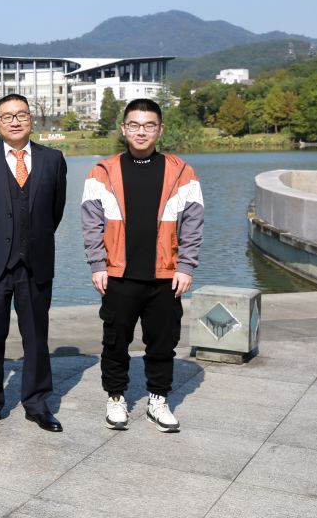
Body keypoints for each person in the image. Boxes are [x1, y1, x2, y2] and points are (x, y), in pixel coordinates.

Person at [81, 98, 203, 433]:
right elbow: (90, 223)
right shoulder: (102, 171)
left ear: (160, 129)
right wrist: (97, 264)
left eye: (149, 125)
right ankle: (116, 397)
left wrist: (186, 266)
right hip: (118, 274)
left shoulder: (182, 172)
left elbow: (194, 224)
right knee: (115, 342)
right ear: (124, 128)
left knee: (163, 343)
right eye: (134, 125)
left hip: (165, 275)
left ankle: (158, 401)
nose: (141, 132)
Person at [0, 93, 67, 433]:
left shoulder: (53, 159)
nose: (15, 121)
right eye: (7, 116)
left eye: (21, 114)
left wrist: (32, 239)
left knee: (36, 337)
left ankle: (37, 404)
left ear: (31, 118)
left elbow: (55, 211)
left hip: (36, 262)